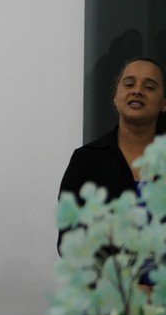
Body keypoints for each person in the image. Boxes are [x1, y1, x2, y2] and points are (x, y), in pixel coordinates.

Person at [58, 57, 166, 248]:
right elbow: (69, 240)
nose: (137, 91)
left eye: (149, 87)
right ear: (116, 97)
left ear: (164, 103)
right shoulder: (86, 160)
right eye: (129, 84)